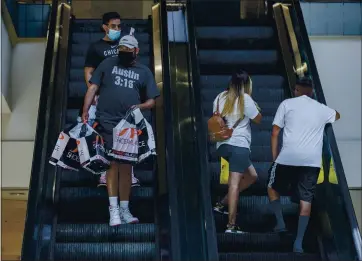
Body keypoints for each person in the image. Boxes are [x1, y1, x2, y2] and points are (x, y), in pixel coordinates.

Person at [82, 35, 160, 226]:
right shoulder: (108, 63)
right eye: (121, 51)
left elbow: (152, 100)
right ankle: (114, 211)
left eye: (127, 51)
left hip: (129, 125)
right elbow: (93, 87)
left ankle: (125, 209)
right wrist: (85, 111)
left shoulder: (144, 71)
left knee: (127, 166)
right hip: (107, 121)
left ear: (136, 51)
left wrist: (140, 107)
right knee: (112, 164)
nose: (123, 54)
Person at [267, 77, 341, 253]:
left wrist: (274, 157)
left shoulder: (286, 104)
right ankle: (298, 243)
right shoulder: (321, 109)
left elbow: (275, 132)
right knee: (305, 200)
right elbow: (337, 115)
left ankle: (280, 223)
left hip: (288, 158)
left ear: (296, 90)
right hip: (311, 162)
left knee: (271, 186)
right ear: (312, 92)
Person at [80, 11, 140, 188]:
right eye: (113, 26)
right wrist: (95, 94)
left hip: (124, 96)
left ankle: (130, 175)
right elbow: (89, 72)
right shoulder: (96, 47)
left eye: (119, 26)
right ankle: (105, 174)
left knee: (128, 135)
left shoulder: (126, 44)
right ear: (104, 27)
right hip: (104, 98)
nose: (117, 29)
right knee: (104, 137)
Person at [212, 70, 262, 234]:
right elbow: (258, 119)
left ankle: (221, 204)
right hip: (239, 145)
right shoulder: (245, 99)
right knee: (234, 184)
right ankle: (231, 225)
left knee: (252, 176)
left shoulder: (220, 97)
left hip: (223, 145)